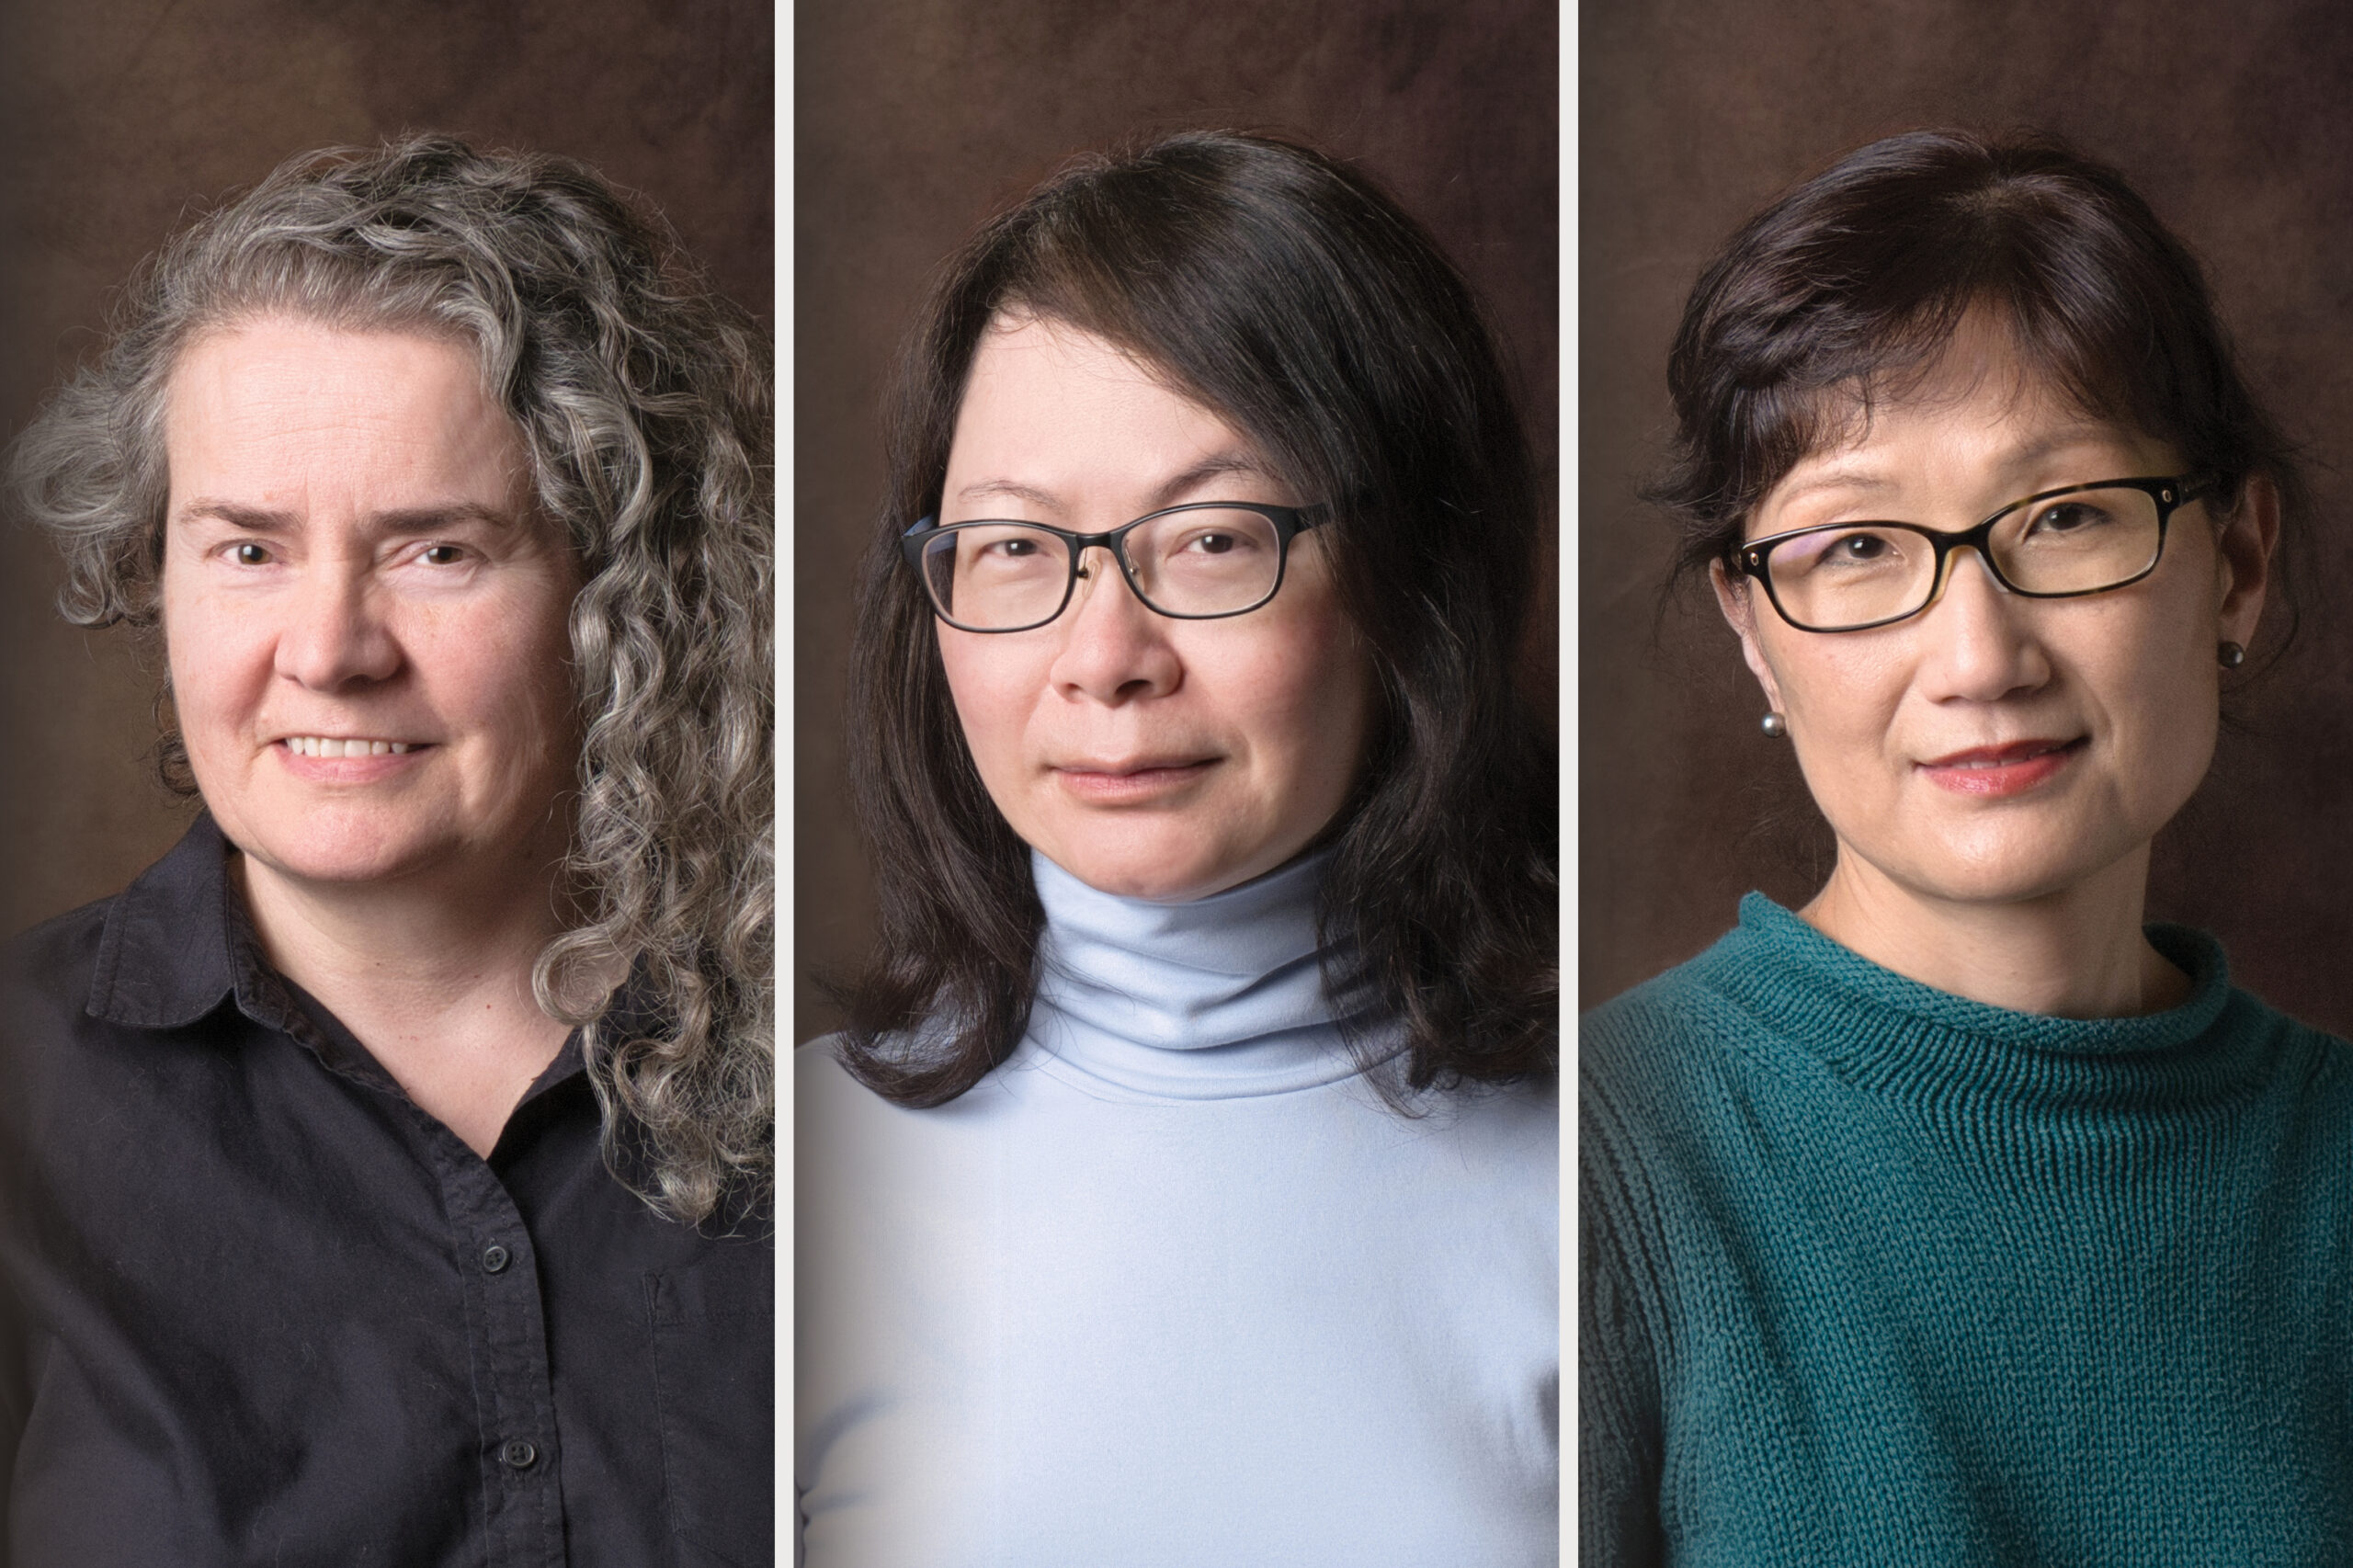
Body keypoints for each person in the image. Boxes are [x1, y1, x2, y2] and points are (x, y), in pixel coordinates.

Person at [1578, 128, 2353, 1564]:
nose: (1978, 656)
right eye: (1858, 546)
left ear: (2236, 563)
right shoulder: (1604, 1159)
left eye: (2064, 516)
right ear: (1754, 632)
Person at [0, 137, 773, 1563]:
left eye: (438, 549)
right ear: (153, 569)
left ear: (615, 590)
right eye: (248, 549)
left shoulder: (839, 1091)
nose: (331, 651)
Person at [795, 131, 1559, 1564]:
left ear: (1412, 584)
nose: (1104, 658)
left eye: (1211, 541)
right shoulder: (777, 1181)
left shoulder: (1622, 1169)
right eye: (1015, 548)